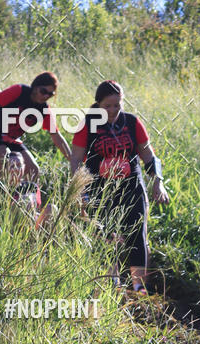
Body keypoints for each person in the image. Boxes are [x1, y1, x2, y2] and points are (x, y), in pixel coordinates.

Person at [70, 79, 168, 292]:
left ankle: (139, 287)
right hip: (99, 187)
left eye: (117, 105)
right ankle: (112, 283)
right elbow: (76, 159)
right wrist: (79, 190)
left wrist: (158, 183)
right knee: (105, 235)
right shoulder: (87, 124)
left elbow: (148, 155)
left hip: (131, 185)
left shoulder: (131, 122)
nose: (113, 110)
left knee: (137, 234)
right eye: (107, 106)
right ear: (98, 104)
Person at [0, 71, 71, 183]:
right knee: (8, 163)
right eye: (43, 91)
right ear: (35, 87)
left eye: (50, 94)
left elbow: (56, 135)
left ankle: (25, 193)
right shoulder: (19, 91)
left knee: (34, 170)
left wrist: (72, 160)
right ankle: (0, 191)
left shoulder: (44, 109)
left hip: (11, 140)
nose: (46, 96)